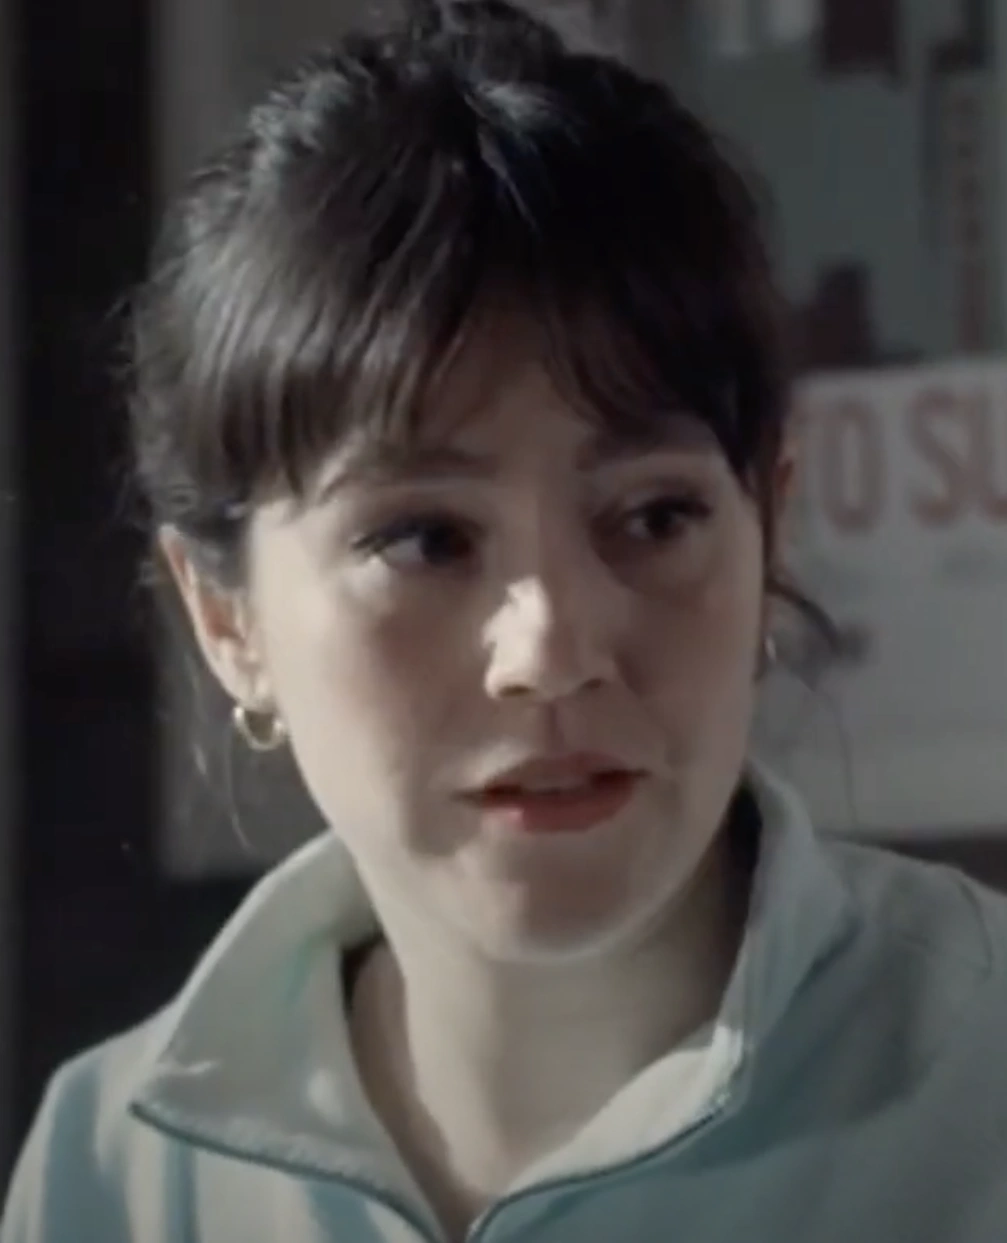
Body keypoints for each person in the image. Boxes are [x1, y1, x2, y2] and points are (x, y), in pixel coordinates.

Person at [5, 2, 1007, 1240]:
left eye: (653, 516)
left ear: (768, 528)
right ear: (225, 619)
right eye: (422, 539)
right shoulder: (113, 1170)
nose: (550, 650)